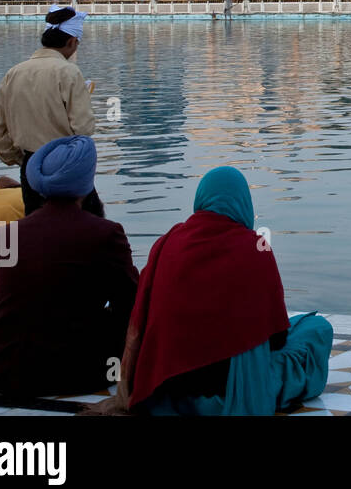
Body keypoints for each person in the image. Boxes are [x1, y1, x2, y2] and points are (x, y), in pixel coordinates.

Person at [105, 166, 332, 415]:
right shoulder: (256, 248)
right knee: (317, 329)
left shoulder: (166, 243)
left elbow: (142, 319)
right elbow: (276, 339)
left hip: (165, 390)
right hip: (232, 394)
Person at [0, 136, 138, 398]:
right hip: (79, 373)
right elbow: (132, 305)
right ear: (87, 186)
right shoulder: (106, 233)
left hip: (2, 372)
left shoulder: (7, 234)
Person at [0, 6, 100, 216]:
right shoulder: (69, 73)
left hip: (30, 169)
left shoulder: (14, 73)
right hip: (66, 167)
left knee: (36, 231)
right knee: (84, 231)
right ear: (72, 41)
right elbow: (83, 128)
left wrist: (23, 159)